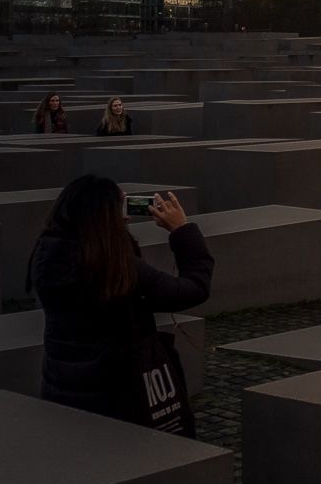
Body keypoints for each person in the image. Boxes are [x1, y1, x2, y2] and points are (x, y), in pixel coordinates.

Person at [29, 176, 213, 425]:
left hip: (63, 385)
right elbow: (193, 289)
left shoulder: (47, 253)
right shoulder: (111, 267)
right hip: (118, 392)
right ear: (105, 215)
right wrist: (182, 231)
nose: (126, 216)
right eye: (121, 206)